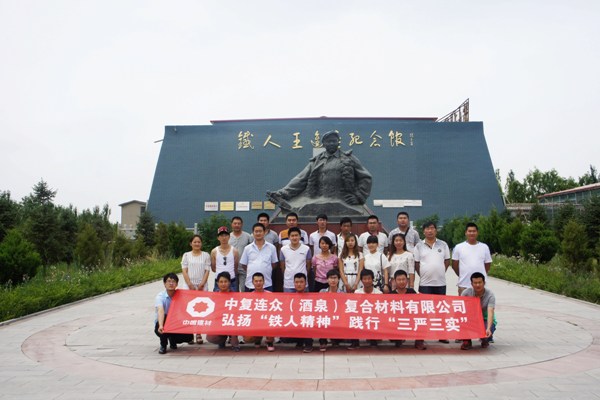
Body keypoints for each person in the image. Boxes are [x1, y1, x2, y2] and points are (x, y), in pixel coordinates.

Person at [266, 130, 373, 215]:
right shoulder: (316, 161)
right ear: (324, 144)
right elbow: (300, 179)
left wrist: (359, 196)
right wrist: (283, 193)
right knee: (297, 208)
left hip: (342, 201)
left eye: (334, 141)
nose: (332, 143)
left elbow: (365, 177)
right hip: (317, 199)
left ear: (338, 142)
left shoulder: (349, 159)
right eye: (329, 141)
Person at [414, 221, 451, 344]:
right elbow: (416, 264)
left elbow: (447, 261)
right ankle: (422, 335)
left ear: (436, 230)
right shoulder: (418, 246)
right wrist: (424, 273)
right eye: (427, 228)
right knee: (424, 311)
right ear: (423, 231)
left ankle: (442, 335)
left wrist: (440, 271)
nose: (430, 231)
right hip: (425, 284)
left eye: (432, 228)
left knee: (441, 310)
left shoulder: (443, 244)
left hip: (440, 283)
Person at [181, 234, 211, 345]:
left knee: (200, 310)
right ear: (191, 243)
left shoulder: (206, 255)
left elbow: (207, 270)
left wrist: (202, 284)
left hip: (202, 285)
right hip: (189, 286)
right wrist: (189, 284)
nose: (197, 244)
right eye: (194, 242)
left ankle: (198, 333)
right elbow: (184, 270)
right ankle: (189, 335)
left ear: (201, 243)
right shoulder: (186, 255)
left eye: (199, 242)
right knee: (189, 310)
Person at [154, 273, 193, 354]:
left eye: (173, 281)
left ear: (177, 284)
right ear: (164, 284)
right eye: (168, 281)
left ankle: (172, 339)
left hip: (176, 322)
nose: (171, 283)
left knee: (189, 337)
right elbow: (160, 310)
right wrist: (160, 325)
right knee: (164, 321)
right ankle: (163, 345)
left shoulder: (181, 295)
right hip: (163, 321)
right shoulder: (160, 296)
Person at [388, 270, 426, 350]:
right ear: (394, 281)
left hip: (410, 318)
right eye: (399, 280)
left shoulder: (412, 292)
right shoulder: (391, 295)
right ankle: (398, 338)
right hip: (397, 319)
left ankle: (419, 341)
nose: (401, 282)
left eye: (403, 279)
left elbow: (418, 306)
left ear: (407, 280)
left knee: (422, 318)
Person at [451, 222, 492, 295]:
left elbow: (487, 265)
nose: (472, 233)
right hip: (464, 284)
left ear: (477, 233)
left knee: (480, 302)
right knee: (463, 302)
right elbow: (454, 265)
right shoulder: (459, 247)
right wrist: (462, 274)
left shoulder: (484, 247)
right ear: (466, 233)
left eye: (474, 231)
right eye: (469, 231)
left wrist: (479, 275)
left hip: (479, 286)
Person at [460, 272, 496, 350]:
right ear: (471, 284)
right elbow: (460, 310)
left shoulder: (490, 295)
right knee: (460, 322)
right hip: (470, 319)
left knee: (487, 332)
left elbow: (490, 312)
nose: (478, 285)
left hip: (484, 319)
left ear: (484, 283)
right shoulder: (466, 293)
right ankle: (467, 341)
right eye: (475, 283)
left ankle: (485, 339)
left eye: (480, 282)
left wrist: (488, 328)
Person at [206, 272, 241, 352]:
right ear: (217, 283)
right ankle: (222, 339)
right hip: (219, 322)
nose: (223, 284)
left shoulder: (235, 295)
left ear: (229, 282)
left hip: (232, 322)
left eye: (225, 281)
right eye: (221, 282)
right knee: (211, 338)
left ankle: (234, 339)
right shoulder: (214, 296)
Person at [280, 273, 314, 353]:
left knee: (307, 321)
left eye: (301, 282)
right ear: (294, 283)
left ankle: (308, 343)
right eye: (297, 282)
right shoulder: (289, 298)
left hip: (308, 323)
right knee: (284, 338)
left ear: (305, 283)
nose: (299, 284)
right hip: (295, 323)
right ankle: (300, 340)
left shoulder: (312, 297)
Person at [240, 223, 278, 292]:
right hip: (250, 284)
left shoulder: (271, 247)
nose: (258, 233)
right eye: (256, 231)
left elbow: (274, 264)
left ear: (264, 232)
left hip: (267, 284)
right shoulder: (247, 248)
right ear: (253, 233)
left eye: (260, 231)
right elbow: (244, 265)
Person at [242, 272, 276, 351]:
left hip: (267, 320)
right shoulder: (248, 297)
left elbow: (275, 311)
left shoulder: (271, 295)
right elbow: (245, 312)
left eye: (260, 281)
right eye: (256, 281)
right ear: (252, 282)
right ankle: (257, 338)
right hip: (254, 321)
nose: (258, 283)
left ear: (264, 282)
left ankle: (270, 341)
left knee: (273, 319)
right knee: (247, 338)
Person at [278, 212, 309, 291]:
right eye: (289, 220)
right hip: (288, 281)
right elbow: (282, 265)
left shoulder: (306, 247)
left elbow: (308, 264)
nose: (291, 222)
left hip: (302, 280)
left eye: (294, 220)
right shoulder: (283, 245)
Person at [354, 269, 382, 347]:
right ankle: (355, 342)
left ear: (372, 279)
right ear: (361, 280)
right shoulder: (357, 293)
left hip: (373, 316)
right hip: (360, 316)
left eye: (369, 278)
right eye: (365, 279)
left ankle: (373, 340)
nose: (367, 281)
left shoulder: (379, 293)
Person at [279, 227, 312, 293]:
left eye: (296, 235)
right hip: (288, 283)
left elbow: (308, 266)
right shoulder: (283, 249)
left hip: (303, 283)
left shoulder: (306, 249)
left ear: (300, 237)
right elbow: (282, 267)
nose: (294, 238)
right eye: (292, 236)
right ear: (289, 237)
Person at [318, 269, 344, 351]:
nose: (333, 280)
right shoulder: (322, 292)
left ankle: (335, 339)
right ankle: (323, 342)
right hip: (326, 316)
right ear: (327, 280)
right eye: (331, 278)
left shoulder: (342, 294)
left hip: (337, 317)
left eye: (335, 278)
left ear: (338, 279)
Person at [211, 226, 239, 292]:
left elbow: (236, 266)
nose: (224, 238)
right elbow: (213, 268)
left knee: (233, 297)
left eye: (225, 235)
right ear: (218, 238)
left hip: (231, 280)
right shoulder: (214, 251)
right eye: (221, 236)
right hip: (219, 281)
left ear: (229, 237)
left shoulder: (234, 251)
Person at [229, 216, 253, 292]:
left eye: (239, 223)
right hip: (232, 268)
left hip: (244, 268)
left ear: (242, 224)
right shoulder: (228, 237)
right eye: (235, 223)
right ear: (231, 224)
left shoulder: (248, 236)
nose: (237, 225)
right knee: (233, 291)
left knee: (244, 290)